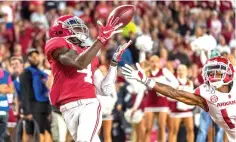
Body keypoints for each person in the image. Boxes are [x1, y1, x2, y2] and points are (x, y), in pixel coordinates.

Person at [44, 15, 127, 142]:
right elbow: (79, 62)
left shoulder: (90, 54)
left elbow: (105, 90)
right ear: (61, 31)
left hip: (88, 104)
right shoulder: (58, 44)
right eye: (76, 28)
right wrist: (101, 39)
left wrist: (114, 63)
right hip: (67, 108)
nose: (80, 30)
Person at [122, 56, 236, 142]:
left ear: (229, 73)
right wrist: (147, 81)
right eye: (210, 72)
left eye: (217, 72)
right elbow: (175, 93)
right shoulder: (206, 94)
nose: (212, 75)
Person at [20, 48, 52, 142]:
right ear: (28, 58)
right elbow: (24, 93)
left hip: (45, 107)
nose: (35, 58)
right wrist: (27, 111)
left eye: (36, 56)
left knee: (46, 133)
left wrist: (49, 108)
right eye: (32, 56)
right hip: (33, 108)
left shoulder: (43, 73)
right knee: (33, 134)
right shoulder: (26, 73)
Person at [168, 64, 195, 142]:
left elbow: (191, 96)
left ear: (186, 72)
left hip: (187, 110)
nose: (181, 72)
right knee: (174, 131)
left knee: (190, 129)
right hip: (175, 110)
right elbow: (169, 98)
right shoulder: (173, 82)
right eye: (179, 70)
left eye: (183, 70)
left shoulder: (190, 82)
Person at [8, 56, 24, 142]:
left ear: (22, 65)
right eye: (12, 64)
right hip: (14, 115)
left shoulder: (29, 79)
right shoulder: (10, 82)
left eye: (17, 64)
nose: (14, 66)